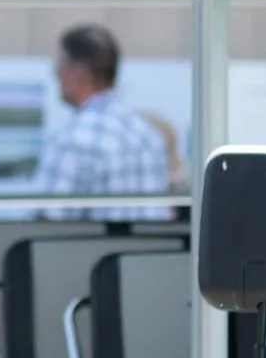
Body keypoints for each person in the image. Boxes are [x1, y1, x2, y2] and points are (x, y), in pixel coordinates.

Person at [36, 25, 172, 220]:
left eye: (61, 64)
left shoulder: (73, 139)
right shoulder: (148, 135)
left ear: (80, 71)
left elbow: (47, 223)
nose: (55, 73)